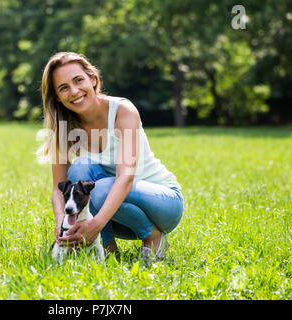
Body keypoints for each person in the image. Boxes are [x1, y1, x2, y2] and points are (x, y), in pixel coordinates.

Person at [37, 51, 184, 264]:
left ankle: (153, 237)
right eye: (64, 88)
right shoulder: (63, 126)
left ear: (93, 79)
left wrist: (96, 225)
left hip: (163, 203)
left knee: (100, 189)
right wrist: (61, 224)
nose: (74, 91)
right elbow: (57, 189)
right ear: (57, 97)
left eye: (78, 80)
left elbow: (125, 177)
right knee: (79, 169)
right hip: (118, 215)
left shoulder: (122, 110)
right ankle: (108, 251)